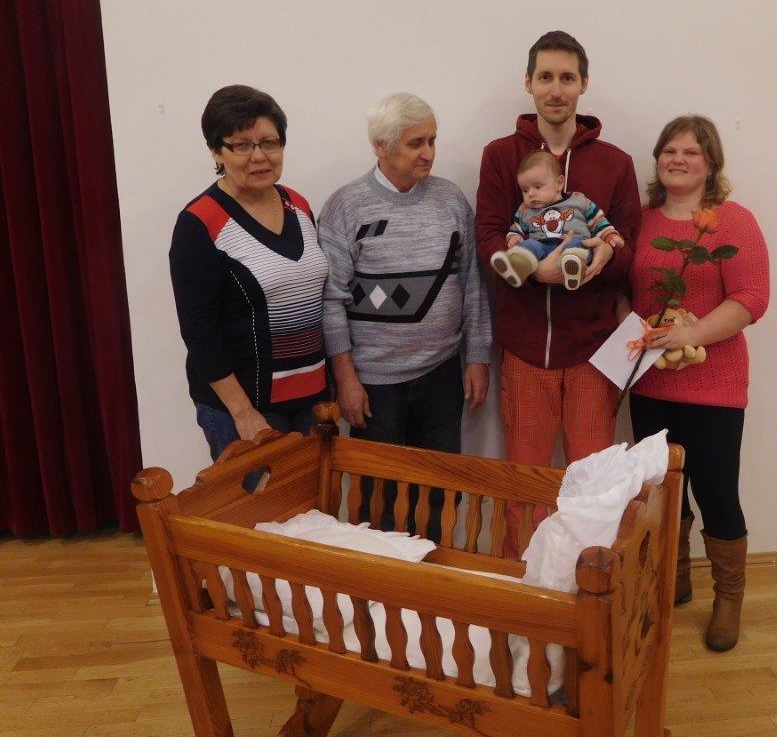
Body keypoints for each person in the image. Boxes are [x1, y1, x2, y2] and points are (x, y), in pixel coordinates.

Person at [476, 30, 642, 556]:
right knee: (526, 487)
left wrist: (606, 257)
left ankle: (587, 586)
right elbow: (488, 237)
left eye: (567, 78)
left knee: (591, 487)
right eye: (545, 77)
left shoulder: (615, 163)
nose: (556, 89)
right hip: (525, 350)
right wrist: (534, 273)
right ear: (528, 82)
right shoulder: (500, 156)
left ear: (583, 84)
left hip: (592, 352)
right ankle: (525, 587)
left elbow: (630, 249)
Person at [319, 92, 491, 541]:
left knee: (440, 493)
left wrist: (477, 357)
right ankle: (381, 581)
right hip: (374, 383)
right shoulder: (346, 206)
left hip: (441, 374)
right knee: (379, 499)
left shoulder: (450, 201)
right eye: (416, 143)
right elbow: (331, 299)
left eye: (432, 140)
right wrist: (346, 379)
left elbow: (472, 283)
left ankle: (432, 573)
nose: (428, 153)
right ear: (381, 145)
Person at [626, 115, 770, 652]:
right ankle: (675, 578)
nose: (678, 159)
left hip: (715, 386)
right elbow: (624, 291)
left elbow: (752, 298)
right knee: (663, 494)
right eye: (670, 150)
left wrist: (690, 333)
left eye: (691, 151)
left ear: (711, 163)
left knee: (716, 492)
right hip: (650, 384)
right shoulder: (641, 221)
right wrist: (641, 331)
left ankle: (728, 597)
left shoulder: (733, 222)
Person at [170, 85, 329, 467]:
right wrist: (243, 414)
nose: (259, 156)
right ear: (216, 151)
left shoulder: (297, 204)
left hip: (310, 400)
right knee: (258, 505)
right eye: (241, 145)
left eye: (269, 143)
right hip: (247, 411)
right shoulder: (200, 223)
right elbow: (200, 333)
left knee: (312, 503)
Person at [490, 150, 625, 291]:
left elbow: (598, 221)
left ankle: (573, 266)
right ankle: (517, 266)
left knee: (578, 243)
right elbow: (516, 228)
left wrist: (610, 236)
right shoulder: (525, 210)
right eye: (525, 190)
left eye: (537, 187)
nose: (531, 194)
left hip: (574, 243)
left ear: (559, 183)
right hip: (542, 247)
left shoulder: (579, 201)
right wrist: (514, 238)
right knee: (529, 245)